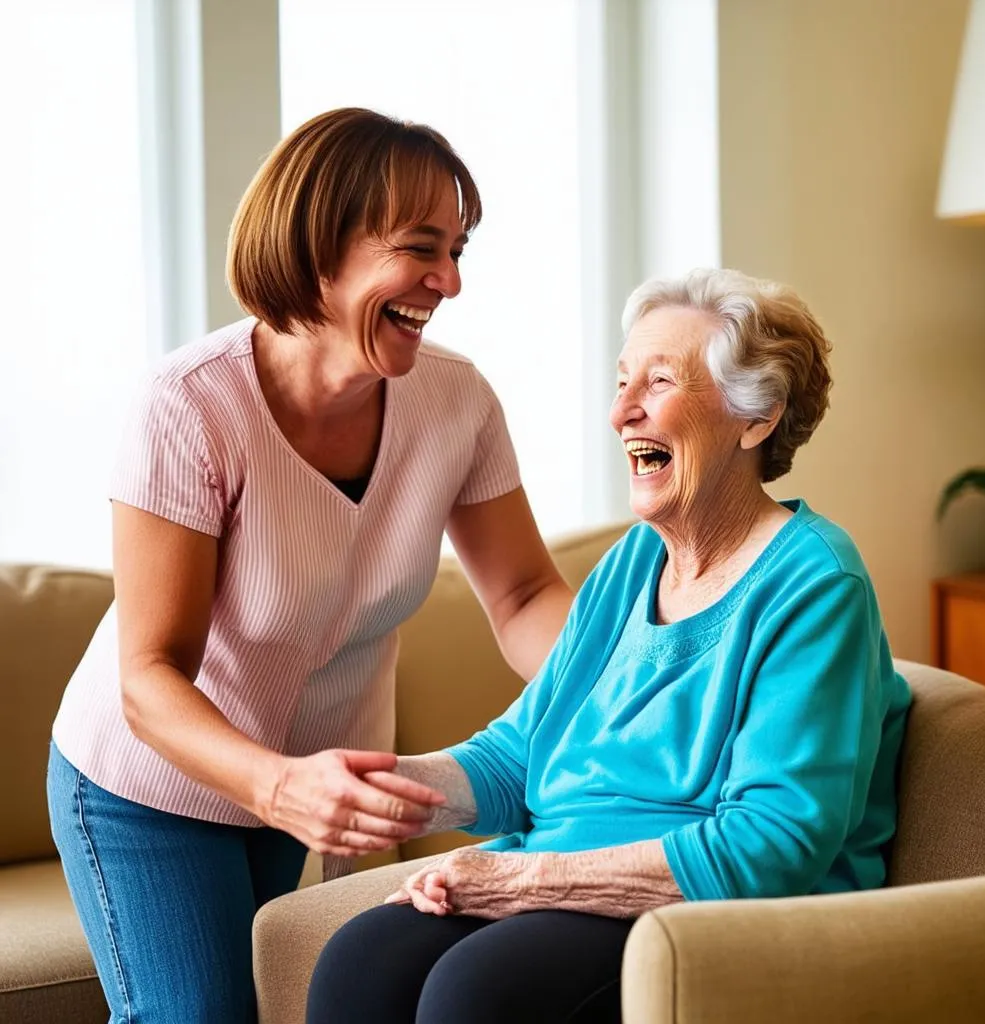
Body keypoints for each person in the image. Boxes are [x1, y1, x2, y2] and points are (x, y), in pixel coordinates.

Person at [46, 108, 574, 1024]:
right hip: (148, 788)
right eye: (420, 248)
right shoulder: (190, 406)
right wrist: (280, 786)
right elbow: (148, 675)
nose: (448, 281)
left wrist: (638, 680)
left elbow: (525, 594)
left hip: (300, 793)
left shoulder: (457, 401)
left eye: (457, 250)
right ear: (320, 246)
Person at [305, 268, 913, 1024]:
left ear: (755, 419)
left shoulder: (815, 584)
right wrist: (383, 792)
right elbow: (521, 753)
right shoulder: (631, 564)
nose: (622, 411)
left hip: (699, 912)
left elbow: (773, 842)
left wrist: (523, 881)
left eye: (659, 382)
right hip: (565, 878)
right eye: (623, 381)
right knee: (360, 962)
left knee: (477, 994)